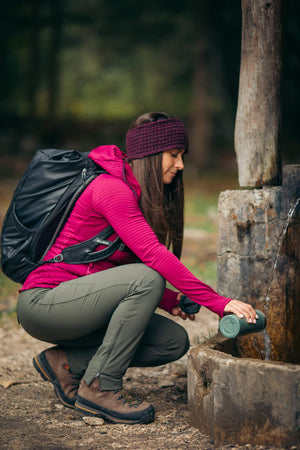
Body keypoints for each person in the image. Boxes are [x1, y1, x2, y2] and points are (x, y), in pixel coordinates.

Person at [17, 112, 257, 425]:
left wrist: (172, 301)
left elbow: (115, 270)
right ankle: (100, 387)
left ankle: (64, 363)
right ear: (150, 155)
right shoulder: (112, 190)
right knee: (148, 276)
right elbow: (152, 259)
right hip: (44, 303)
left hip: (79, 302)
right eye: (174, 155)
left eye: (181, 156)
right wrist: (218, 303)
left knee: (172, 341)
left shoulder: (133, 194)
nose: (180, 165)